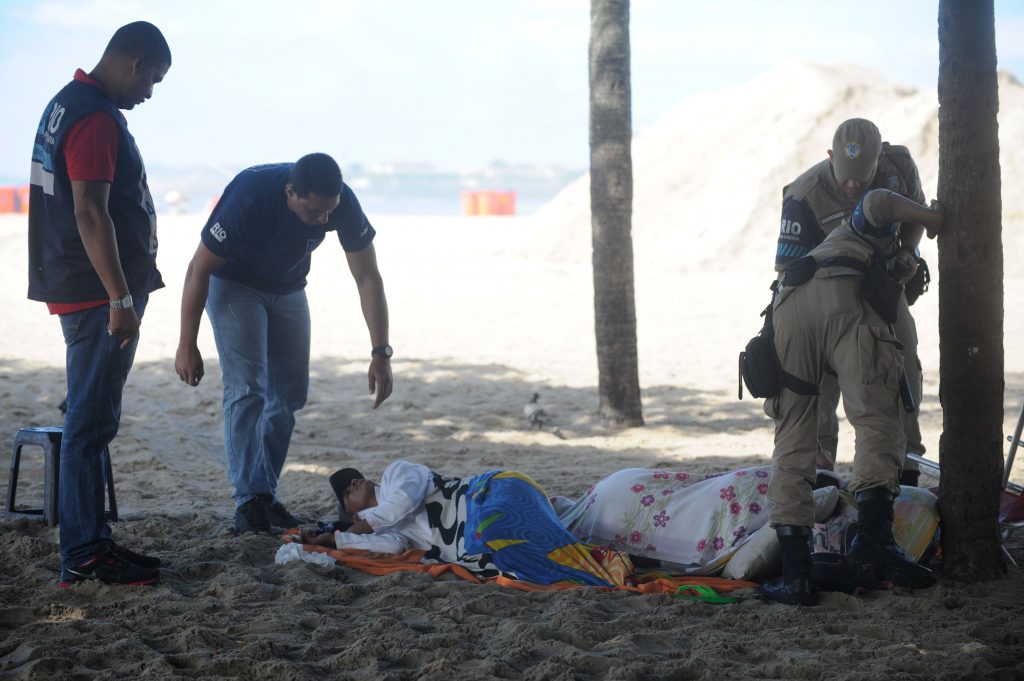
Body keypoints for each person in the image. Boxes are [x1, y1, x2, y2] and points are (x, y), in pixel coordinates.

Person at [174, 154, 393, 534]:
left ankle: (264, 495)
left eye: (330, 211)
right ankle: (249, 500)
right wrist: (186, 343)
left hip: (289, 287)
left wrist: (381, 353)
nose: (324, 220)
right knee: (247, 388)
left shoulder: (341, 203)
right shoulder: (251, 196)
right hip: (234, 284)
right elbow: (199, 268)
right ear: (290, 192)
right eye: (315, 211)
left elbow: (368, 278)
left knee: (289, 395)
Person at [27, 22, 171, 587]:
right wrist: (120, 297)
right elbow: (90, 211)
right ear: (134, 62)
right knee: (90, 423)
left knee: (90, 417)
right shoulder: (93, 117)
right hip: (95, 292)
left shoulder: (67, 102)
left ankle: (92, 543)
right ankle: (84, 553)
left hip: (77, 282)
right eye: (153, 79)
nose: (149, 94)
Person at [762, 188, 944, 606]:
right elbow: (878, 201)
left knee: (792, 435)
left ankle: (797, 575)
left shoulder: (829, 244)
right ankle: (875, 542)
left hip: (786, 308)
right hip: (841, 300)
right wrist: (933, 220)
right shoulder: (860, 230)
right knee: (876, 419)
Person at [774, 119, 932, 485]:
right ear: (830, 158)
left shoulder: (898, 168)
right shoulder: (803, 195)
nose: (852, 186)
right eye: (845, 179)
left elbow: (918, 214)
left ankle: (905, 467)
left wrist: (908, 252)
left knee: (902, 367)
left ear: (878, 160)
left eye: (862, 179)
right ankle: (819, 474)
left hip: (882, 292)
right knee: (818, 388)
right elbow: (788, 276)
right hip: (823, 301)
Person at [303, 461, 626, 587]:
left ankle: (585, 565)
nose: (354, 483)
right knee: (501, 551)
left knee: (495, 531)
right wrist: (337, 541)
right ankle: (587, 564)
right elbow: (390, 546)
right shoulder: (389, 530)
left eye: (353, 479)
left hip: (488, 493)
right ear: (352, 513)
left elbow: (404, 499)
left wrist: (361, 525)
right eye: (347, 492)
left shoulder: (396, 474)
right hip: (475, 535)